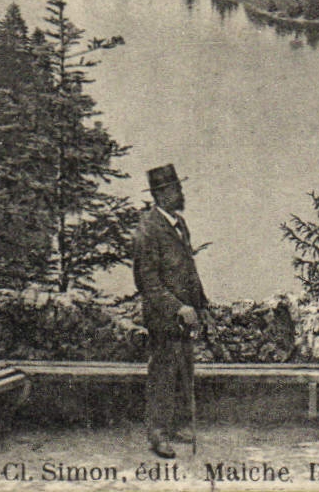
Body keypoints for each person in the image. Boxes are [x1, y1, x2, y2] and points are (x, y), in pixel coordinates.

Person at [131, 163, 208, 460]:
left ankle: (173, 426)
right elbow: (147, 281)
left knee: (181, 372)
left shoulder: (179, 224)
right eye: (177, 189)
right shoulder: (147, 229)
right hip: (165, 318)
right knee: (162, 375)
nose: (182, 193)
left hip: (185, 317)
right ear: (163, 194)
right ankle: (158, 435)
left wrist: (202, 304)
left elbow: (189, 270)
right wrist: (178, 307)